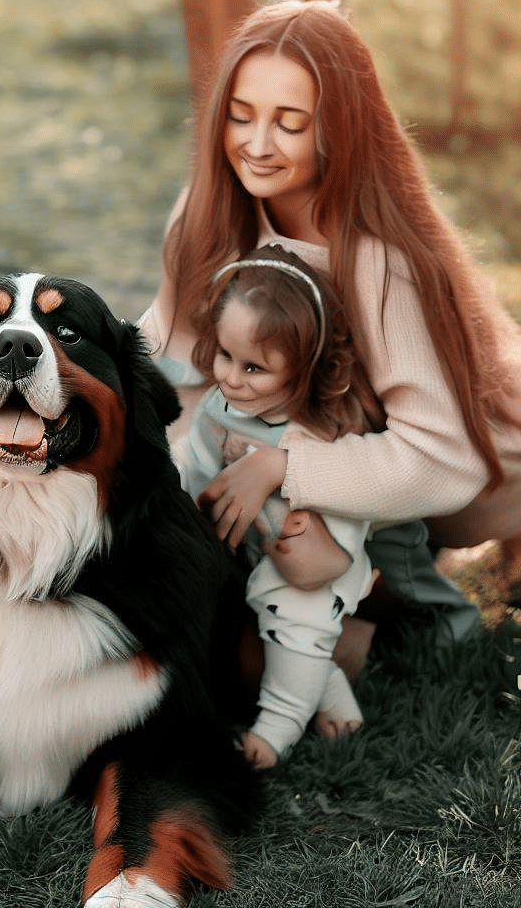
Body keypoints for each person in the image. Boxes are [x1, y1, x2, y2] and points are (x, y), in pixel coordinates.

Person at [140, 0, 521, 665]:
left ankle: (400, 613)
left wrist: (284, 468)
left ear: (339, 129)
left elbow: (444, 458)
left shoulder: (379, 258)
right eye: (240, 115)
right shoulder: (209, 210)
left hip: (479, 471)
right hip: (347, 436)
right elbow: (170, 366)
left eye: (290, 123)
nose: (256, 145)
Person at [174, 246, 383, 768]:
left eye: (255, 368)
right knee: (263, 632)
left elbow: (347, 503)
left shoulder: (321, 431)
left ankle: (278, 726)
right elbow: (193, 462)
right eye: (226, 355)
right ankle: (328, 689)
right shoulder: (220, 409)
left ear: (305, 369)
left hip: (312, 564)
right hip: (248, 550)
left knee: (296, 626)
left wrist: (324, 558)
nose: (233, 378)